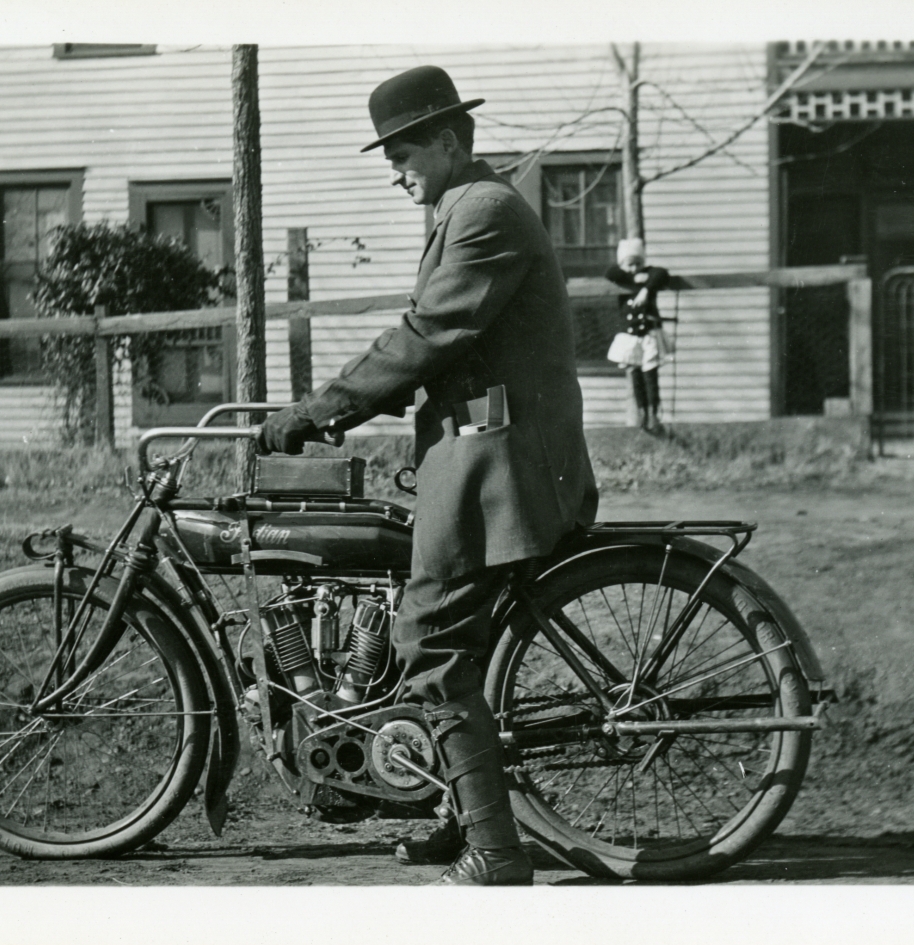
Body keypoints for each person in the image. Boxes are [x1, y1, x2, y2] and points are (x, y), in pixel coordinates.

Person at [257, 65, 597, 886]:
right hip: (479, 449)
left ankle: (497, 850)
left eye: (403, 154)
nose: (396, 171)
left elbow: (427, 335)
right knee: (445, 632)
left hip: (500, 462)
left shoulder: (484, 213)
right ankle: (463, 810)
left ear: (447, 141)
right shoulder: (465, 207)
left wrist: (321, 408)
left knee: (431, 638)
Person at [604, 239, 672, 434]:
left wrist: (646, 289)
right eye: (630, 264)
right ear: (623, 264)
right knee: (635, 375)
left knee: (650, 375)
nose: (634, 268)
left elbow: (661, 273)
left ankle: (653, 414)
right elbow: (610, 272)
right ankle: (642, 413)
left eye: (638, 263)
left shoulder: (649, 276)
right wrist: (634, 279)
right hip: (630, 337)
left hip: (649, 334)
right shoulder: (622, 277)